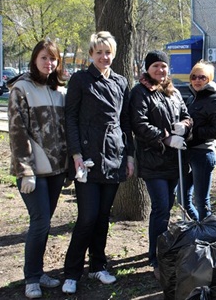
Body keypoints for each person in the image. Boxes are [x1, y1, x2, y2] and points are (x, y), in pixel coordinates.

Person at [62, 31, 135, 295]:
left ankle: (97, 265)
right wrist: (76, 155)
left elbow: (125, 121)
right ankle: (71, 272)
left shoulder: (120, 82)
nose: (104, 57)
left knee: (103, 216)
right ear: (91, 54)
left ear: (113, 54)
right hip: (87, 157)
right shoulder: (80, 80)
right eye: (99, 52)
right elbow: (70, 118)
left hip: (114, 156)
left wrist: (129, 155)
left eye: (108, 52)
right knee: (87, 217)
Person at [8, 39, 68, 299]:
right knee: (40, 221)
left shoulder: (59, 91)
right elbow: (17, 132)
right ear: (35, 59)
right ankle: (31, 277)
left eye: (53, 59)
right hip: (33, 171)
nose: (49, 62)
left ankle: (39, 271)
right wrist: (25, 170)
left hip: (56, 170)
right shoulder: (22, 88)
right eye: (44, 57)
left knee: (45, 223)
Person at [129, 50, 193, 280]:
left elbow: (186, 114)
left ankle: (164, 251)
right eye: (156, 66)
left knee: (166, 208)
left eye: (164, 66)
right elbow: (139, 123)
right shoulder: (140, 92)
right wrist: (165, 137)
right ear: (148, 69)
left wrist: (185, 126)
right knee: (161, 208)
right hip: (153, 161)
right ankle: (156, 257)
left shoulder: (173, 91)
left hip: (174, 162)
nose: (160, 70)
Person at [181, 61, 216, 221]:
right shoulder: (192, 98)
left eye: (202, 77)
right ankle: (196, 229)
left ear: (209, 79)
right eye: (194, 77)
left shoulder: (213, 100)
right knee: (183, 199)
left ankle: (206, 235)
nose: (197, 80)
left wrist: (193, 133)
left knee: (201, 201)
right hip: (188, 153)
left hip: (203, 154)